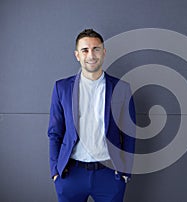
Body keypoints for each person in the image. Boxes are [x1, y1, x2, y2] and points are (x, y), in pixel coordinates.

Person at [47, 29, 136, 202]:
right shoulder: (62, 88)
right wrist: (55, 172)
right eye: (85, 50)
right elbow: (54, 133)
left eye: (96, 49)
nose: (91, 55)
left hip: (110, 175)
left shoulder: (122, 88)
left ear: (103, 52)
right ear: (77, 55)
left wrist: (125, 172)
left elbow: (129, 133)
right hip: (71, 174)